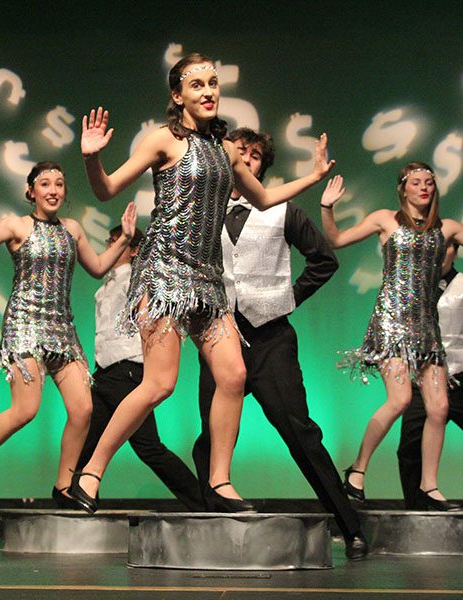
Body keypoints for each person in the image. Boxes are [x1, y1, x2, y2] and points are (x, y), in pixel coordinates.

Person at [70, 52, 335, 513]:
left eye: (213, 83)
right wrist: (93, 160)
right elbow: (107, 189)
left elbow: (267, 196)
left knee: (232, 374)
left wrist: (313, 176)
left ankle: (218, 481)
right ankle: (89, 473)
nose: (209, 91)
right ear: (178, 96)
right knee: (159, 384)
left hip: (208, 283)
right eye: (197, 85)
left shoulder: (227, 150)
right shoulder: (163, 141)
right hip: (164, 276)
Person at [191, 128, 367, 558]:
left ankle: (351, 528)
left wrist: (287, 299)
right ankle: (214, 526)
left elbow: (324, 260)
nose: (246, 161)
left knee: (300, 434)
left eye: (254, 156)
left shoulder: (283, 211)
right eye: (240, 153)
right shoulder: (201, 212)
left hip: (270, 338)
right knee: (210, 440)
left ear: (262, 166)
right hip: (220, 335)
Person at [0, 162, 137, 505]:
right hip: (24, 326)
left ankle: (64, 485)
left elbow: (98, 268)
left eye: (59, 183)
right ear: (31, 191)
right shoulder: (15, 225)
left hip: (61, 329)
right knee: (26, 410)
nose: (53, 190)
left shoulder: (73, 229)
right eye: (45, 184)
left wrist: (125, 239)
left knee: (83, 409)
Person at [321, 162, 463, 512]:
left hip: (427, 329)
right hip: (392, 326)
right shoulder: (386, 219)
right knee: (399, 400)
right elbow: (336, 240)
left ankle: (429, 486)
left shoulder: (447, 228)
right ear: (404, 188)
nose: (424, 188)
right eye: (416, 182)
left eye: (429, 182)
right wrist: (327, 207)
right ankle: (357, 470)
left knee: (439, 407)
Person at [75, 224, 204, 510]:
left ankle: (202, 501)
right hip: (105, 372)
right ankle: (76, 498)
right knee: (88, 441)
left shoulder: (139, 278)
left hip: (129, 370)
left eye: (119, 242)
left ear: (133, 250)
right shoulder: (105, 284)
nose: (112, 246)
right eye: (110, 241)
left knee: (148, 447)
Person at [397, 243, 463, 509]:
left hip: (459, 375)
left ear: (455, 253)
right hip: (422, 378)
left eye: (447, 249)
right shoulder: (413, 288)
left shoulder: (461, 284)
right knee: (409, 448)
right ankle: (417, 508)